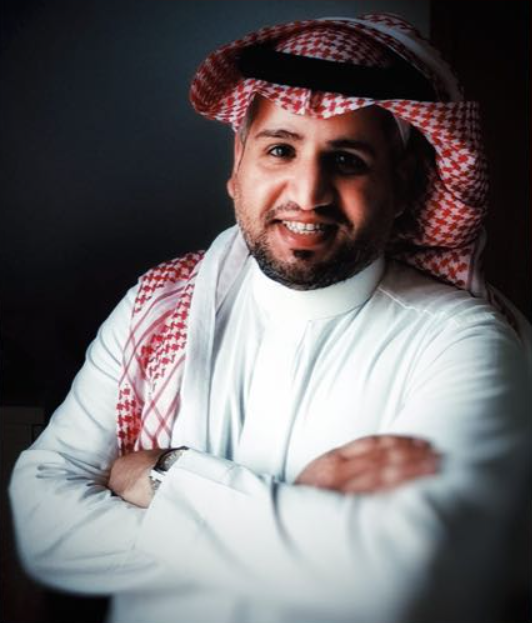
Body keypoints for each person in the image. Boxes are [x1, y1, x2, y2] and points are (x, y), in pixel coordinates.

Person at [9, 13, 531, 623]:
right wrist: (303, 530)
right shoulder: (158, 304)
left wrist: (163, 476)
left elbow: (413, 580)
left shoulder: (461, 341)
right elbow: (43, 526)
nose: (307, 194)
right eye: (280, 150)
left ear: (405, 183)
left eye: (347, 160)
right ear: (239, 163)